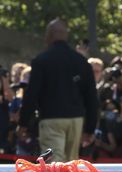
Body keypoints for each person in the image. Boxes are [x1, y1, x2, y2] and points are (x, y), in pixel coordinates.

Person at [17, 19, 98, 162]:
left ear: (50, 35)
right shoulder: (81, 62)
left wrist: (23, 123)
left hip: (51, 119)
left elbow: (31, 95)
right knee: (71, 165)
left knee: (53, 166)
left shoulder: (41, 61)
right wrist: (90, 129)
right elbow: (91, 97)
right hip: (76, 120)